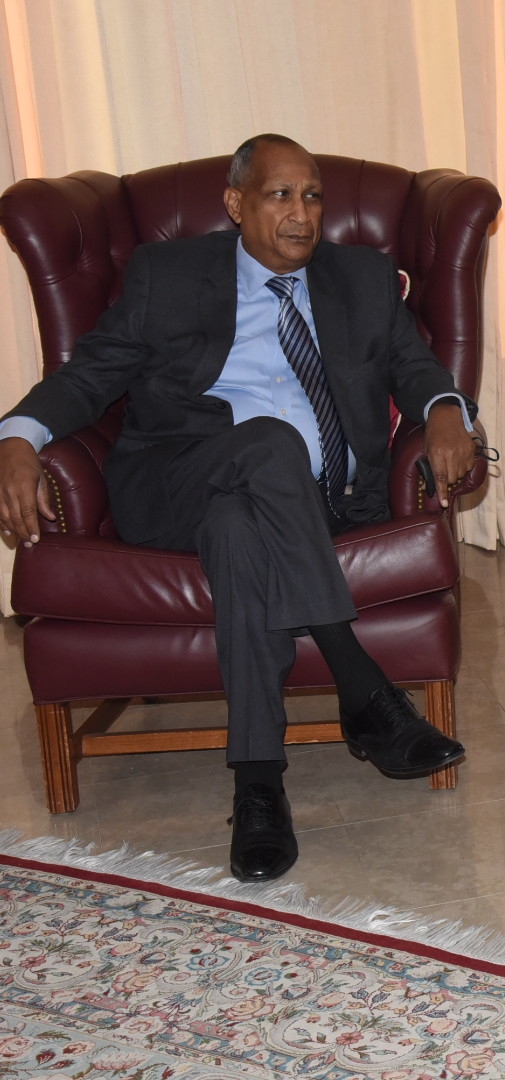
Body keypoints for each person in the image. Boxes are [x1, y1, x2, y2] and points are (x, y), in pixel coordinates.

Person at [0, 134, 478, 885]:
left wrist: (448, 408)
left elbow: (414, 364)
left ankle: (258, 786)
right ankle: (363, 689)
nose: (301, 213)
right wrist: (18, 437)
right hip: (176, 484)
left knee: (240, 529)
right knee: (268, 442)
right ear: (235, 204)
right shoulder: (168, 275)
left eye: (313, 195)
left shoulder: (362, 277)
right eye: (279, 195)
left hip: (314, 507)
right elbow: (88, 376)